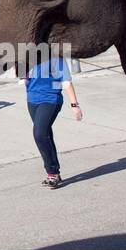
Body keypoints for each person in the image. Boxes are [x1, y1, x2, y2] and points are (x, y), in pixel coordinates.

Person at [25, 55, 83, 188]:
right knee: (46, 135)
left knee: (39, 134)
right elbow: (26, 79)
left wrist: (74, 105)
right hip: (32, 100)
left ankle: (51, 172)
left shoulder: (57, 58)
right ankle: (54, 172)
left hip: (51, 100)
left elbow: (66, 82)